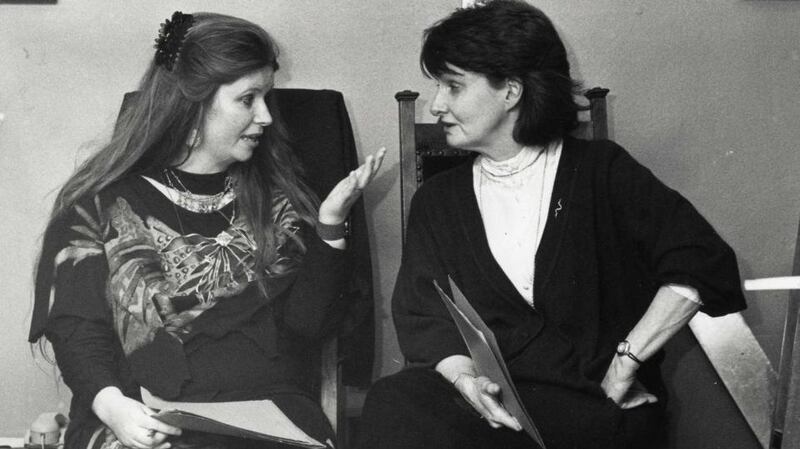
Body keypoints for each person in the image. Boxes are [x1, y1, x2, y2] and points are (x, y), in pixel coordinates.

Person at [356, 1, 745, 449]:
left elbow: (702, 261)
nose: (437, 104)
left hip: (591, 403)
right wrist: (466, 381)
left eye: (453, 86)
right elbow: (424, 317)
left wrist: (628, 359)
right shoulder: (437, 201)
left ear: (511, 92)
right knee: (394, 402)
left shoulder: (602, 171)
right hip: (493, 406)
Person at [28, 11, 385, 449]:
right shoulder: (96, 205)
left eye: (266, 97)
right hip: (139, 414)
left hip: (267, 419)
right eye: (248, 99)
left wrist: (330, 227)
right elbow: (76, 328)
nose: (267, 116)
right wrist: (112, 406)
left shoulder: (279, 201)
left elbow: (309, 327)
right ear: (192, 104)